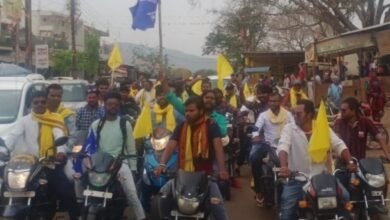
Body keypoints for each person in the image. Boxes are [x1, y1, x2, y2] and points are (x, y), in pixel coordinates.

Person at [3, 91, 80, 220]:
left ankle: (76, 216)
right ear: (31, 104)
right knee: (6, 186)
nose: (40, 105)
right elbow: (12, 137)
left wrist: (60, 152)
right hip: (29, 165)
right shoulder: (24, 121)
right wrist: (4, 150)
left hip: (49, 162)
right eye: (36, 102)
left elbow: (59, 135)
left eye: (43, 102)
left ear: (47, 103)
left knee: (66, 190)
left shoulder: (55, 118)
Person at [277, 99, 355, 220]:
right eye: (294, 113)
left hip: (322, 179)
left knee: (345, 197)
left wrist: (350, 162)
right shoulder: (289, 129)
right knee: (287, 210)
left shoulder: (322, 128)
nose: (295, 116)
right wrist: (284, 166)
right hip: (297, 180)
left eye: (298, 113)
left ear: (309, 114)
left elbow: (339, 145)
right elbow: (283, 146)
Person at [154, 96, 229, 220]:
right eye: (186, 111)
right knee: (162, 197)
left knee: (218, 206)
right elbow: (171, 145)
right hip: (183, 175)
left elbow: (218, 148)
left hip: (205, 176)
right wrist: (162, 164)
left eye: (191, 111)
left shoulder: (211, 125)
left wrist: (222, 170)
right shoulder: (181, 126)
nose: (187, 114)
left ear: (201, 111)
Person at [84, 92, 145, 220]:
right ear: (104, 105)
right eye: (109, 104)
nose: (113, 107)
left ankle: (141, 217)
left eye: (116, 104)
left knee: (132, 193)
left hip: (120, 163)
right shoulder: (96, 125)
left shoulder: (125, 124)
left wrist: (133, 169)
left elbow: (131, 147)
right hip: (100, 165)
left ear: (119, 106)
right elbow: (90, 147)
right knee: (84, 187)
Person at [250, 93, 294, 206]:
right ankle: (259, 190)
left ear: (280, 102)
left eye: (275, 101)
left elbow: (294, 127)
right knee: (254, 158)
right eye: (270, 101)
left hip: (287, 145)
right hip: (268, 146)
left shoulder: (288, 115)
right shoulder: (263, 115)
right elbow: (256, 128)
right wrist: (255, 136)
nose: (272, 103)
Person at [46, 84, 77, 149]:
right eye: (52, 96)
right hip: (42, 153)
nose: (56, 98)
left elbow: (73, 137)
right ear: (47, 96)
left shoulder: (68, 115)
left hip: (62, 154)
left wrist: (62, 150)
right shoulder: (41, 114)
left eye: (58, 96)